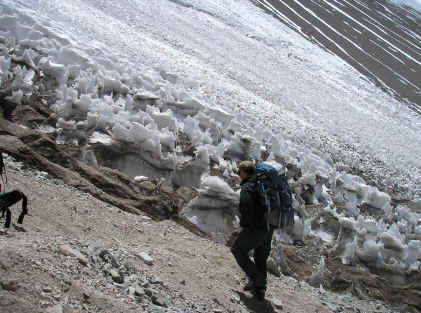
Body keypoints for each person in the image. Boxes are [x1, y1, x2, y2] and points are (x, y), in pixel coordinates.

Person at [231, 161, 274, 301]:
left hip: (256, 227)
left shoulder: (247, 187)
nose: (239, 175)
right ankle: (259, 290)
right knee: (260, 257)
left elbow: (245, 206)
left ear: (244, 172)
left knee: (237, 250)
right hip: (268, 228)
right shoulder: (260, 184)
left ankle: (257, 279)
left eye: (240, 172)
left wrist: (245, 224)